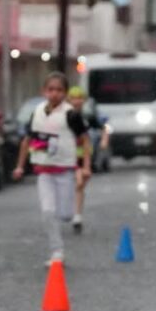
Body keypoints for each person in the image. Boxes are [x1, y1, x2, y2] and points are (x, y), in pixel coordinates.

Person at [12, 72, 89, 266]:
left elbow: (85, 140)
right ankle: (57, 251)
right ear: (44, 91)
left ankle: (69, 216)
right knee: (47, 212)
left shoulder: (71, 114)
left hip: (65, 171)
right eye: (51, 89)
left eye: (59, 90)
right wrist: (20, 166)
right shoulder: (37, 112)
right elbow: (27, 140)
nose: (54, 93)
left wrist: (86, 166)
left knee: (65, 215)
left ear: (65, 93)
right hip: (44, 171)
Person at [66, 86, 94, 233]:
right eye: (73, 98)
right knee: (77, 183)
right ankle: (72, 213)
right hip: (68, 157)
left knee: (80, 185)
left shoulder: (87, 117)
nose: (77, 101)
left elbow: (102, 127)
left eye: (80, 98)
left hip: (84, 156)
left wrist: (104, 138)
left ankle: (77, 215)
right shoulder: (66, 116)